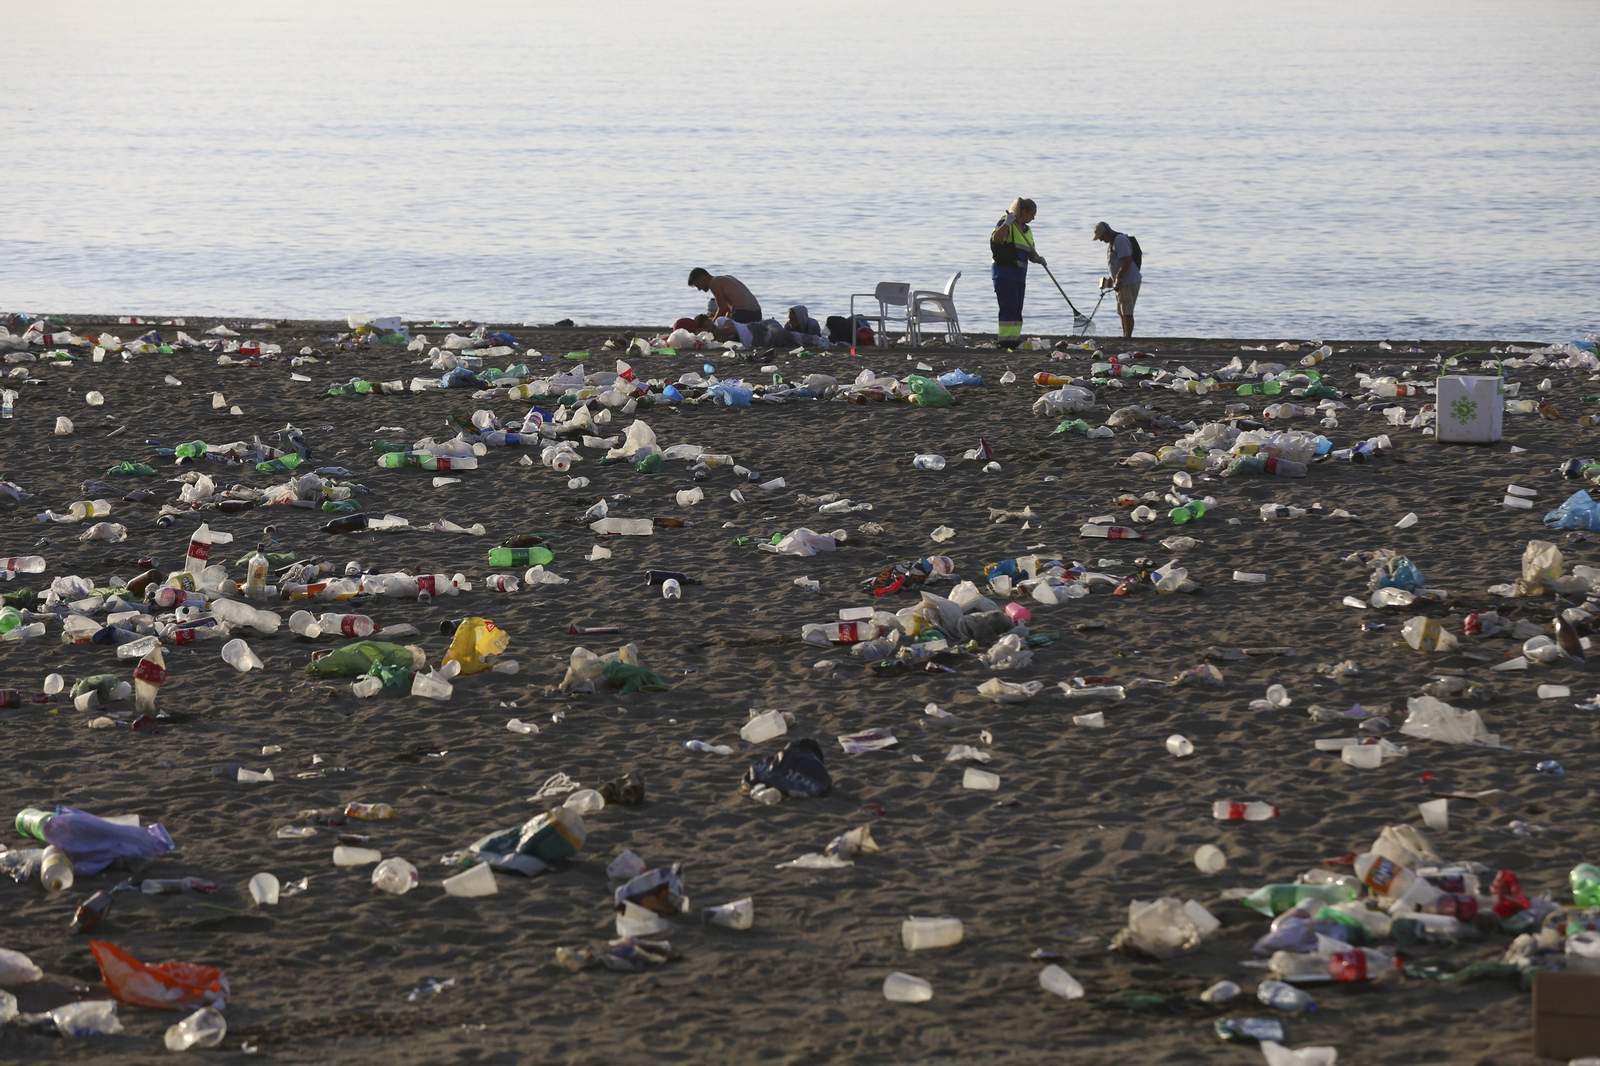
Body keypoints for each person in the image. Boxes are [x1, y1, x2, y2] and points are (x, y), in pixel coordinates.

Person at [990, 197, 1045, 350]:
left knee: (1017, 308)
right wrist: (1008, 222)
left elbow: (1030, 253)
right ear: (1023, 212)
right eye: (1032, 214)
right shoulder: (1006, 222)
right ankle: (1005, 340)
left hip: (1020, 274)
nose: (1033, 218)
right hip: (1004, 272)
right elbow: (996, 239)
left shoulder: (1027, 230)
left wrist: (1038, 259)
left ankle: (1013, 338)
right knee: (1008, 306)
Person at [1093, 221, 1141, 338]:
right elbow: (1116, 263)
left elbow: (1127, 260)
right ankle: (1125, 335)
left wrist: (1119, 277)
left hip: (1128, 282)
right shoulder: (1112, 242)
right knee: (1121, 311)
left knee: (1127, 312)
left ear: (1107, 232)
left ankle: (1127, 337)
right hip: (1121, 282)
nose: (1101, 240)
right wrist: (1111, 279)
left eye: (1101, 237)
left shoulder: (1120, 240)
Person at [688, 268, 762, 323]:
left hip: (744, 312)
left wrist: (712, 325)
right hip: (757, 312)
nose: (699, 289)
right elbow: (728, 310)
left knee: (718, 332)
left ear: (703, 279)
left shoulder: (714, 283)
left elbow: (722, 309)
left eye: (698, 285)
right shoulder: (726, 278)